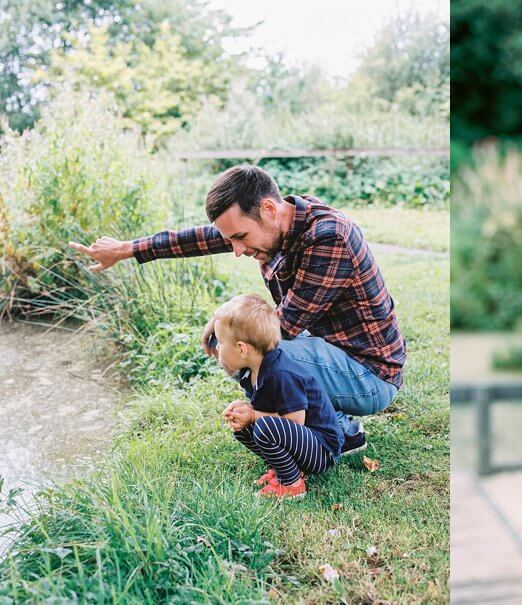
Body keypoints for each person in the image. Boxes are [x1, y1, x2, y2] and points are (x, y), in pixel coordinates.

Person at [68, 165, 406, 454]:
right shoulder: (271, 225)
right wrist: (126, 249)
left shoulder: (329, 239)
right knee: (240, 344)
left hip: (370, 375)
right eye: (231, 239)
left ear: (270, 209)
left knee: (253, 348)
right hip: (332, 349)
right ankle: (343, 428)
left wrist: (222, 321)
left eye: (241, 237)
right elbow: (195, 239)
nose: (237, 250)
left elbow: (281, 329)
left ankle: (321, 437)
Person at [215, 293, 343, 499]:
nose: (217, 348)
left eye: (221, 342)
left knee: (264, 426)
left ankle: (292, 485)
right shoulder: (252, 372)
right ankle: (286, 469)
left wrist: (254, 415)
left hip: (321, 448)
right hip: (301, 443)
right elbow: (266, 410)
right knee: (243, 427)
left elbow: (295, 422)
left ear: (241, 349)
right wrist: (244, 411)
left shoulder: (282, 375)